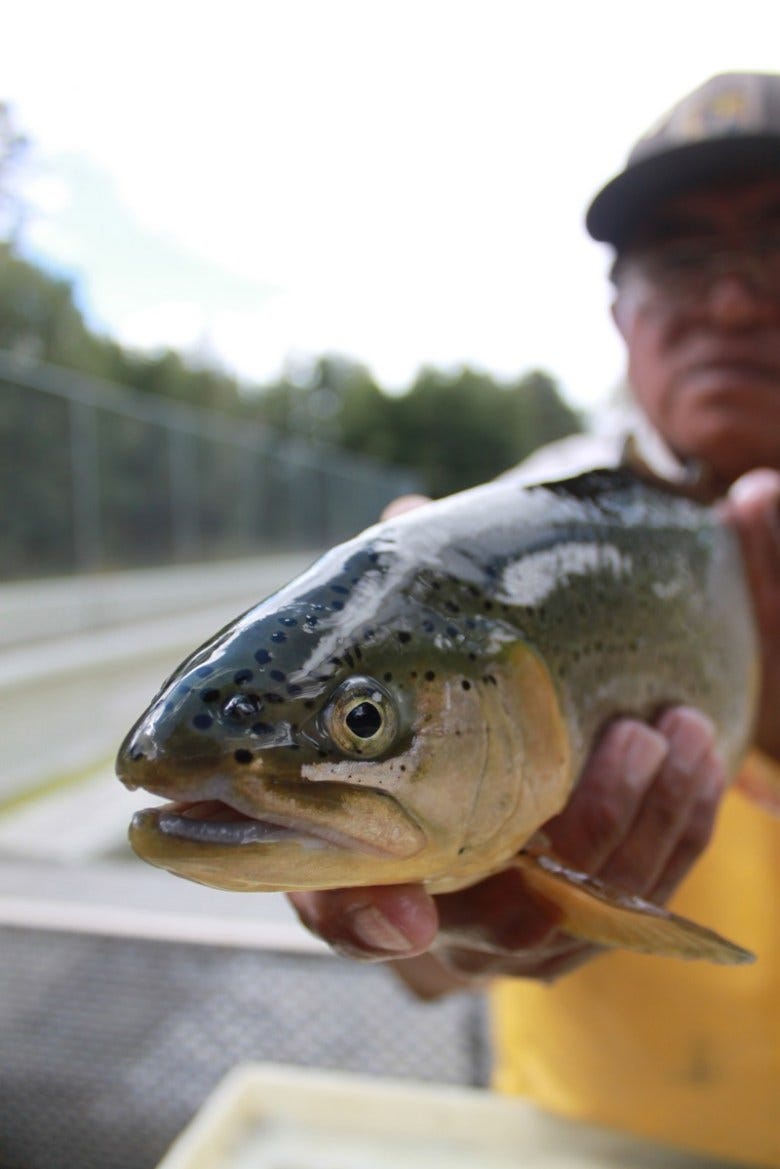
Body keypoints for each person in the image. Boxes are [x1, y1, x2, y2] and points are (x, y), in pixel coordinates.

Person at [289, 73, 780, 1167]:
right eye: (683, 256)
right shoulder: (493, 548)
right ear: (622, 310)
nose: (736, 299)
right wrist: (429, 918)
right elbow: (418, 962)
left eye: (778, 239)